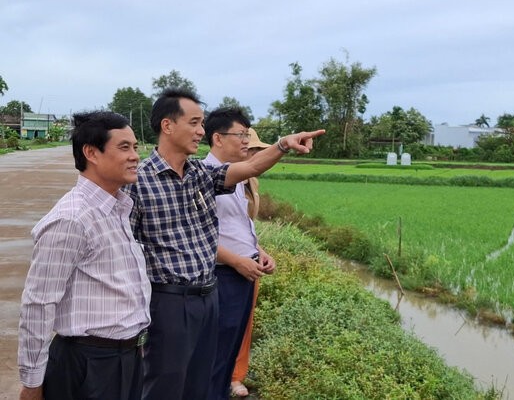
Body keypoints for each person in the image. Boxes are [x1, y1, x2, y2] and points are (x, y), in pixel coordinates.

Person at [122, 88, 323, 400]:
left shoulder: (201, 174)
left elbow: (251, 167)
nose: (201, 131)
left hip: (208, 294)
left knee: (202, 380)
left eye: (202, 123)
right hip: (169, 300)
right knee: (165, 382)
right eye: (194, 123)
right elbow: (124, 249)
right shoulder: (138, 181)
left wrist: (283, 144)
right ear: (168, 126)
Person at [18, 111, 150, 400]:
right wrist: (32, 383)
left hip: (126, 358)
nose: (135, 156)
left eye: (136, 147)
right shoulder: (72, 219)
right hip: (89, 365)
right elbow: (39, 304)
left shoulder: (116, 209)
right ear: (91, 152)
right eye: (124, 147)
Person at [203, 109, 276, 399]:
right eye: (242, 136)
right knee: (216, 349)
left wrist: (258, 251)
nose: (247, 143)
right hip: (225, 273)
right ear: (217, 138)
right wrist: (237, 260)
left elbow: (236, 226)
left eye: (249, 136)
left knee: (233, 342)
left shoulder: (236, 178)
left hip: (244, 270)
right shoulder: (206, 177)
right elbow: (200, 237)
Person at [229, 127, 272, 397]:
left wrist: (260, 250)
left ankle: (236, 375)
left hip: (249, 259)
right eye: (255, 151)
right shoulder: (224, 181)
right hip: (226, 262)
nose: (260, 157)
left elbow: (246, 227)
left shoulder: (252, 182)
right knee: (224, 323)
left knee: (245, 322)